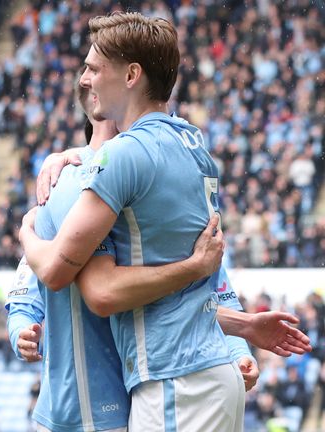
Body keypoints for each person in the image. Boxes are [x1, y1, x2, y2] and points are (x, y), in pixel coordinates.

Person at [19, 13, 309, 429]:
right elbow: (172, 293)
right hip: (210, 373)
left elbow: (75, 281)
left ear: (131, 75)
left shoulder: (123, 156)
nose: (85, 79)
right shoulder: (192, 143)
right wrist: (242, 325)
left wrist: (28, 229)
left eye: (95, 68)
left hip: (175, 381)